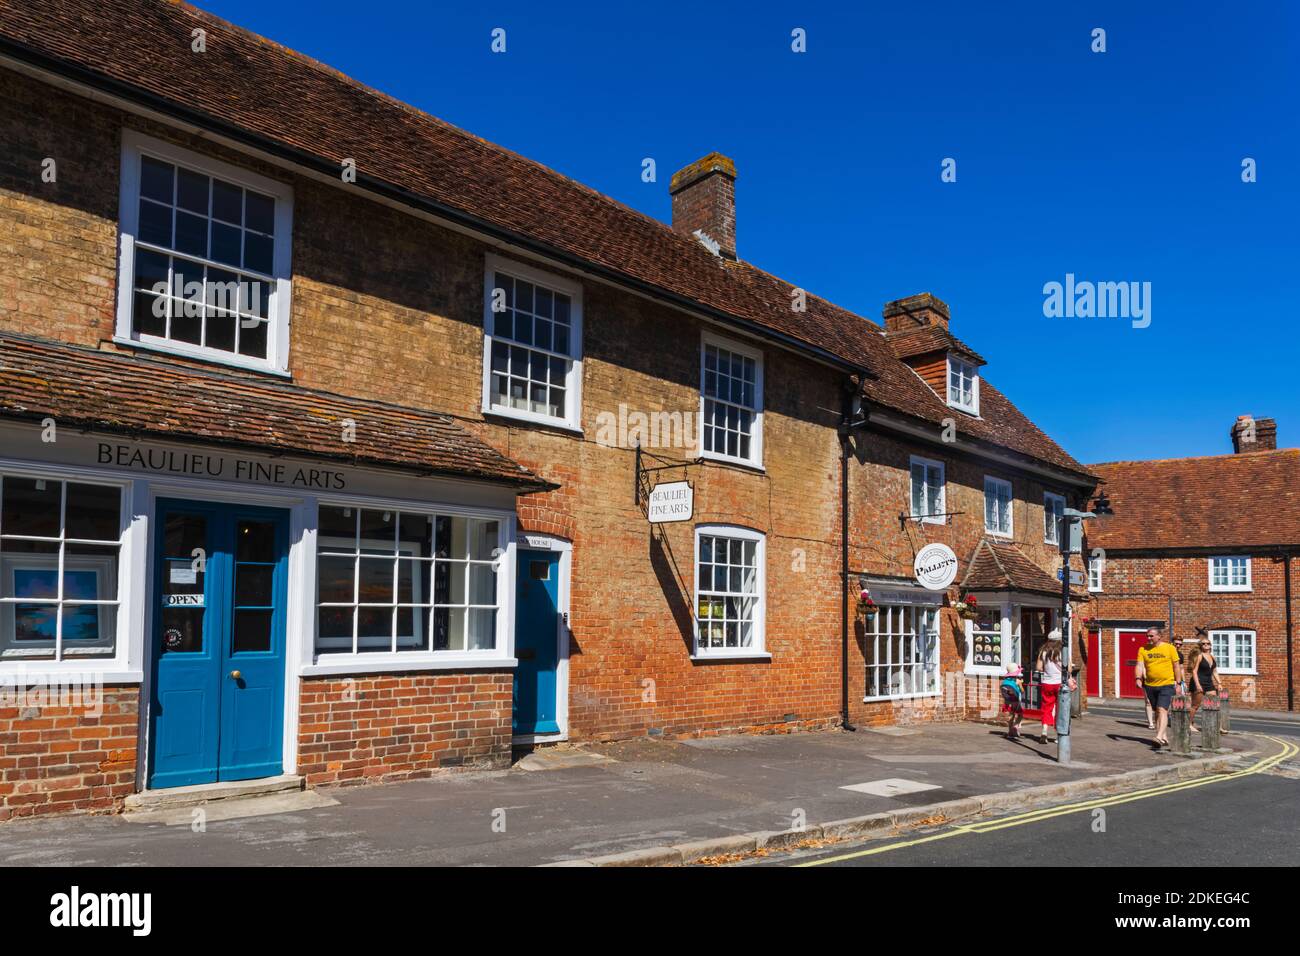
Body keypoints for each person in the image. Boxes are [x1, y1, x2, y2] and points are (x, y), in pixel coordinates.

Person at [1136, 628, 1184, 747]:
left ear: (1159, 636)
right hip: (1150, 685)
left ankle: (1158, 736)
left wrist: (1178, 683)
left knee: (1163, 709)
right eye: (1147, 636)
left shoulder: (1170, 648)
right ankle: (1163, 737)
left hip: (1167, 684)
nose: (1149, 638)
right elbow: (1139, 665)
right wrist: (1138, 678)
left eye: (1151, 636)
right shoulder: (1143, 649)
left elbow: (1176, 667)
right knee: (1157, 711)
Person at [1186, 638, 1222, 731]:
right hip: (1198, 682)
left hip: (1209, 683)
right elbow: (1194, 671)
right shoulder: (1199, 656)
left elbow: (1214, 671)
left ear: (1210, 645)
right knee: (1195, 705)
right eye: (1203, 643)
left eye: (1208, 643)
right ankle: (1188, 724)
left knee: (1214, 704)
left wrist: (1219, 683)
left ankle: (1215, 726)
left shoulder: (1212, 657)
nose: (1206, 645)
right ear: (1200, 646)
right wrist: (1198, 685)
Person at [1035, 637, 1064, 744]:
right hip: (1059, 683)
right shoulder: (1063, 652)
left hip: (1047, 683)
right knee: (1060, 709)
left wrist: (1048, 670)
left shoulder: (1043, 652)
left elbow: (1038, 667)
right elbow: (1069, 669)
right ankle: (1058, 735)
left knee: (1046, 708)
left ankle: (1044, 731)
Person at [1138, 630, 1157, 729]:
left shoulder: (1159, 650)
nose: (1149, 640)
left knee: (1158, 703)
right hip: (1147, 680)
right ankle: (1151, 723)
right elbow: (1141, 665)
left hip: (1158, 680)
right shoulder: (1144, 650)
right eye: (1148, 638)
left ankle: (1158, 721)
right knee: (1148, 701)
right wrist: (1142, 676)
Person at [1000, 664, 1025, 739]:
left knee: (1012, 715)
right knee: (1020, 715)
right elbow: (1022, 691)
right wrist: (1020, 684)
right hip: (1016, 701)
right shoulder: (1017, 681)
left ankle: (1010, 732)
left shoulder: (1005, 681)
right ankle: (1015, 727)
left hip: (1008, 701)